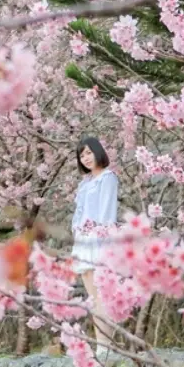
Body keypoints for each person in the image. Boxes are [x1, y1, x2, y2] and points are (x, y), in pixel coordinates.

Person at [71, 136, 119, 353]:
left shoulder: (107, 178)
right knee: (92, 296)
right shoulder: (85, 183)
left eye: (89, 153)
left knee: (102, 295)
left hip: (99, 239)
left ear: (98, 152)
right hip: (83, 239)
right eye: (82, 155)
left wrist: (102, 239)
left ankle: (105, 346)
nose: (86, 158)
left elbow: (107, 212)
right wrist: (77, 233)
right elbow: (79, 213)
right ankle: (101, 344)